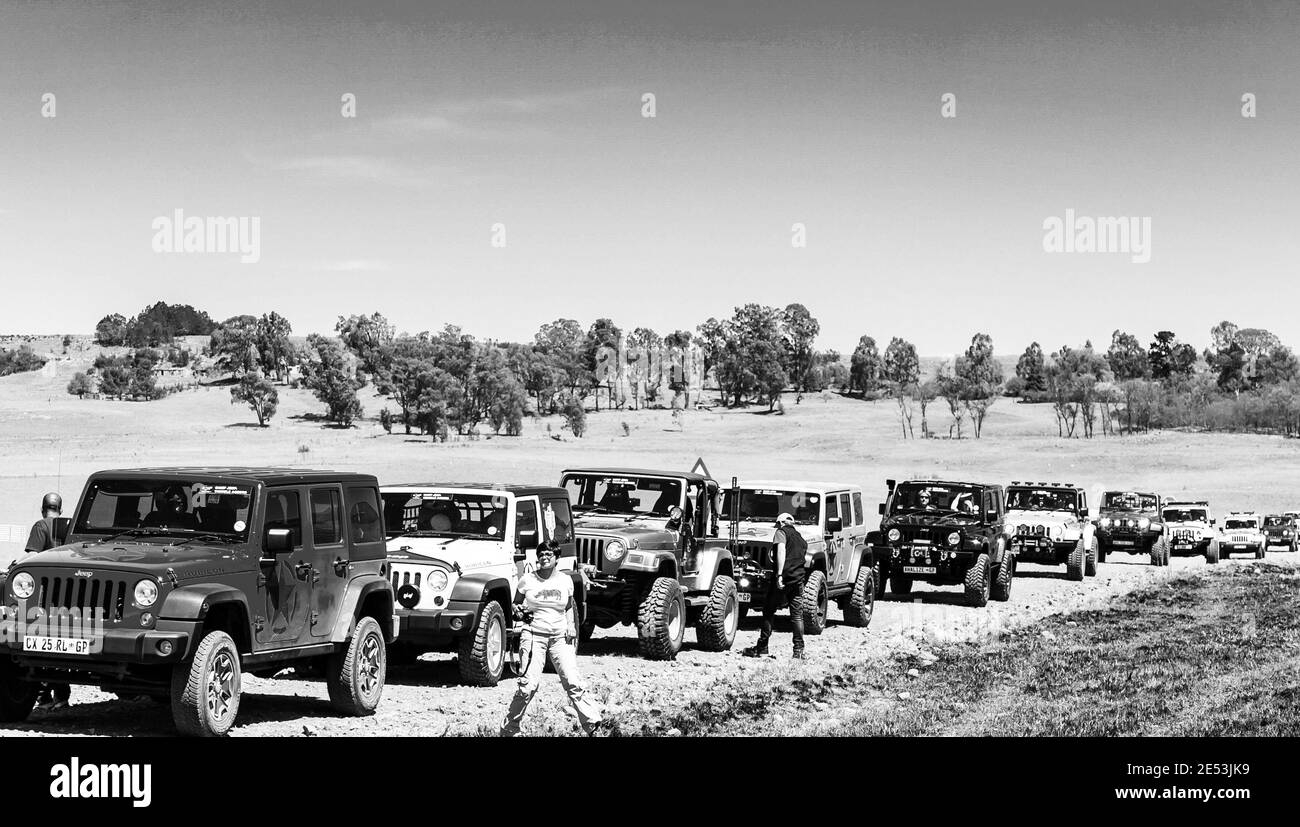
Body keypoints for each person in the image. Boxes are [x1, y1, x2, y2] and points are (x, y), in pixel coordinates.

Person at [500, 541, 607, 737]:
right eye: (541, 554)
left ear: (557, 558)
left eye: (549, 554)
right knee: (528, 686)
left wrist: (572, 627)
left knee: (573, 681)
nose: (544, 557)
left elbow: (567, 606)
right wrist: (518, 611)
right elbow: (515, 605)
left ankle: (592, 725)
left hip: (559, 637)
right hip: (533, 636)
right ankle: (509, 730)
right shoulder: (527, 580)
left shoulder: (565, 580)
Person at [24, 493, 72, 711]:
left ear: (43, 508)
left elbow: (33, 556)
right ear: (60, 509)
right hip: (69, 596)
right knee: (63, 645)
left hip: (45, 597)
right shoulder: (70, 525)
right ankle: (61, 696)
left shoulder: (40, 526)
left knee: (42, 646)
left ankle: (43, 697)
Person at [744, 512, 806, 659]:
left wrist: (779, 574)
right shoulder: (801, 539)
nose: (776, 527)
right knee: (797, 616)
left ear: (781, 523)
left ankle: (762, 648)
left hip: (782, 579)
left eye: (777, 524)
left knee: (769, 611)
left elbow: (781, 551)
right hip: (798, 580)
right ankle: (798, 651)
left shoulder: (781, 532)